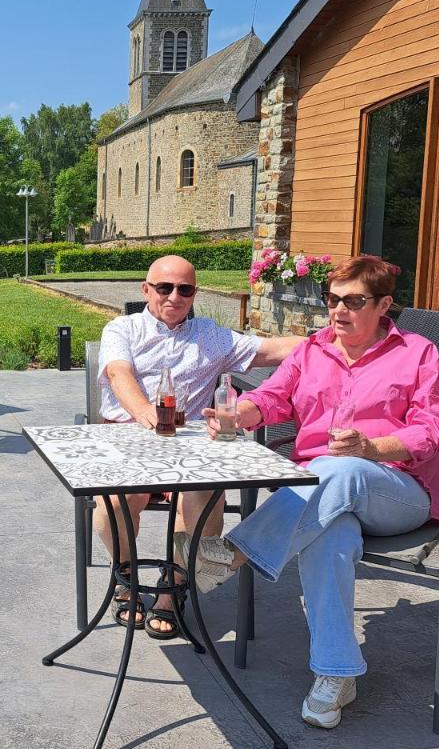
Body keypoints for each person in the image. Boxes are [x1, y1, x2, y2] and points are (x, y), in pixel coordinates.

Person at [194, 255, 439, 730]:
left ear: (384, 305)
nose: (338, 310)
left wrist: (373, 448)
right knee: (328, 540)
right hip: (323, 497)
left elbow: (433, 430)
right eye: (332, 299)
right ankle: (336, 674)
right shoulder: (314, 349)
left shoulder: (417, 353)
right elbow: (273, 397)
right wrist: (239, 414)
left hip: (397, 492)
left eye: (353, 301)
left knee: (344, 469)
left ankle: (238, 553)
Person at [96, 255, 301, 637]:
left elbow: (271, 350)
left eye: (184, 289)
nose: (174, 296)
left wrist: (338, 338)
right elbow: (117, 372)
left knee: (202, 500)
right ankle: (126, 579)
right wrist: (145, 412)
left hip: (190, 445)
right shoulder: (122, 329)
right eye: (164, 287)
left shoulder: (211, 335)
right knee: (113, 506)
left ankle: (173, 589)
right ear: (146, 290)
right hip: (129, 439)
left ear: (194, 294)